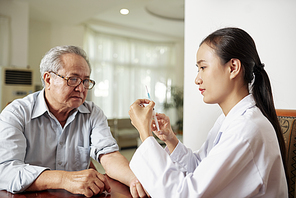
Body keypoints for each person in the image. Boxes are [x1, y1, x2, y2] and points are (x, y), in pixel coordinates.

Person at [128, 27, 288, 197]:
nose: (197, 79)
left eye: (203, 67)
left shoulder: (246, 128)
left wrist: (144, 133)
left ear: (233, 67)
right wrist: (170, 138)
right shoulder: (229, 120)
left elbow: (184, 194)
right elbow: (200, 167)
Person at [0, 45, 148, 198]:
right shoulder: (16, 113)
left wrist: (135, 180)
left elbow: (109, 155)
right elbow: (5, 170)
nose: (81, 88)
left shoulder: (92, 113)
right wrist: (64, 179)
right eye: (73, 79)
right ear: (48, 79)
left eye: (85, 81)